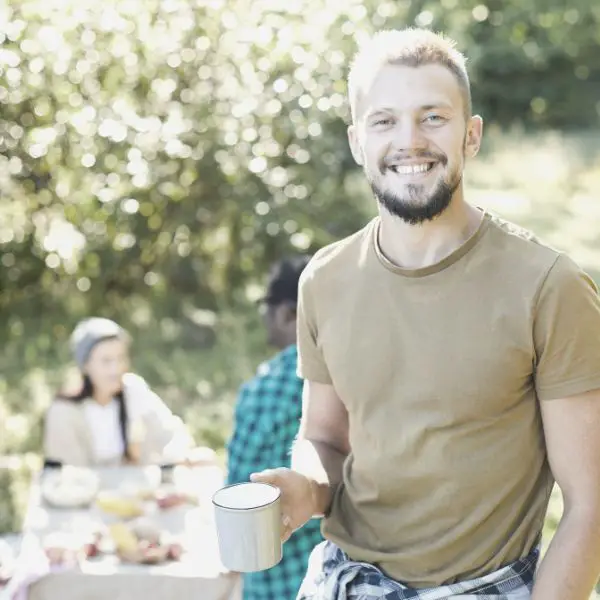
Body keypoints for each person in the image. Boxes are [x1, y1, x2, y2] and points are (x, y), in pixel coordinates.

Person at [251, 28, 600, 600]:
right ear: (358, 141)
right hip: (343, 581)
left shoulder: (548, 286)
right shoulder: (326, 279)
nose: (409, 141)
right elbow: (326, 439)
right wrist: (304, 488)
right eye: (384, 121)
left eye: (432, 117)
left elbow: (590, 504)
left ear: (471, 135)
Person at [226, 256, 323, 600]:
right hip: (335, 570)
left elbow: (239, 488)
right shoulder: (350, 373)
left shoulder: (269, 385)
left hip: (277, 578)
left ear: (286, 313)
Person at [44, 317, 204, 468]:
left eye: (121, 358)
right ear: (85, 365)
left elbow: (170, 432)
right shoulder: (64, 411)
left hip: (137, 490)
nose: (116, 369)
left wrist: (182, 456)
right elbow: (70, 472)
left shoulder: (133, 390)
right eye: (106, 361)